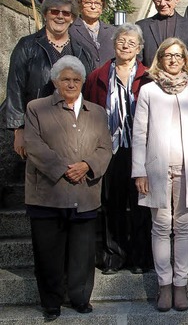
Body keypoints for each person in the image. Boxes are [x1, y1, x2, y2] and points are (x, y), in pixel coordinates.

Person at [23, 56, 111, 321]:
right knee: (48, 253)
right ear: (55, 81)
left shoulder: (97, 112)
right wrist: (64, 168)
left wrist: (87, 164)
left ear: (83, 82)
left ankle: (80, 298)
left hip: (84, 192)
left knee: (82, 253)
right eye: (65, 79)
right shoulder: (36, 108)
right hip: (47, 194)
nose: (71, 83)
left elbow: (105, 147)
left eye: (76, 79)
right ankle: (51, 302)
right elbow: (34, 146)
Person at [132, 38, 188, 312]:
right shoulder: (149, 92)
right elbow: (140, 133)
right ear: (160, 58)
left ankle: (181, 285)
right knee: (161, 226)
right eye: (168, 55)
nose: (174, 60)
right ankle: (163, 285)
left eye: (179, 56)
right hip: (157, 169)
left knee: (185, 226)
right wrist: (139, 171)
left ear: (185, 60)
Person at [83, 23, 152, 275]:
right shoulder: (98, 76)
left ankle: (140, 256)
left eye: (132, 42)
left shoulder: (148, 77)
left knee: (140, 205)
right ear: (114, 44)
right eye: (122, 41)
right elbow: (89, 111)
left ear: (139, 48)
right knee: (112, 204)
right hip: (109, 149)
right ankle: (114, 254)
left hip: (139, 149)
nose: (126, 46)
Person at [1, 0, 94, 159]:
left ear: (72, 18)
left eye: (66, 13)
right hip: (37, 127)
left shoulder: (81, 52)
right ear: (45, 14)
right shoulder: (27, 46)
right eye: (54, 11)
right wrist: (18, 129)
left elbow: (88, 93)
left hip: (71, 130)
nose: (60, 16)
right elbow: (15, 88)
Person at [136, 0, 188, 66]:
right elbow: (137, 61)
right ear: (153, 0)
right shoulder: (142, 27)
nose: (162, 3)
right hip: (151, 78)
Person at [69, 0, 116, 66]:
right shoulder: (70, 30)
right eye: (88, 3)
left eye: (97, 3)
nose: (93, 7)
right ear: (79, 4)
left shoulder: (113, 32)